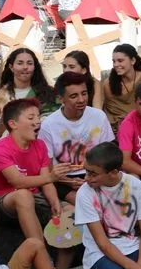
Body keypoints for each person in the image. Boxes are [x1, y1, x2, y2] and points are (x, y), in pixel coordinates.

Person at [0, 99, 72, 269]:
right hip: (0, 199)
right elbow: (17, 181)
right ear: (13, 124)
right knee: (23, 195)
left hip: (33, 195)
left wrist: (55, 202)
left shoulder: (39, 145)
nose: (38, 121)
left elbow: (46, 181)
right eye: (31, 117)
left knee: (69, 211)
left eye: (38, 116)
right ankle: (44, 260)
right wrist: (51, 176)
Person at [39, 71, 115, 205]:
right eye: (74, 96)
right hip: (63, 179)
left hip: (97, 174)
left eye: (84, 93)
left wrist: (96, 177)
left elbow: (109, 154)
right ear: (61, 98)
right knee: (87, 203)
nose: (81, 100)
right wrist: (68, 182)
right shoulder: (48, 125)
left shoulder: (99, 116)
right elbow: (47, 167)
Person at [0, 48, 57, 141]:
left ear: (34, 67)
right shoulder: (1, 95)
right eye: (20, 63)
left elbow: (54, 122)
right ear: (11, 67)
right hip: (7, 148)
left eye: (29, 63)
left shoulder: (47, 93)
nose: (25, 67)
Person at [101, 44, 141, 133]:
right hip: (122, 131)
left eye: (120, 61)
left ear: (133, 60)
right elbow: (113, 115)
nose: (116, 64)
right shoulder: (108, 85)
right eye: (114, 61)